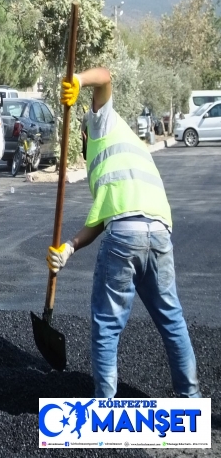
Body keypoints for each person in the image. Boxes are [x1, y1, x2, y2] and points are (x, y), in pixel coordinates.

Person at [47, 67, 201, 399]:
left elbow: (104, 76)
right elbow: (103, 218)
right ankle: (191, 402)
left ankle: (105, 406)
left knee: (106, 325)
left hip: (126, 237)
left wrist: (78, 80)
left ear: (86, 135)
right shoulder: (130, 148)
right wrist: (69, 248)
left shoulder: (101, 126)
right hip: (159, 234)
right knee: (171, 319)